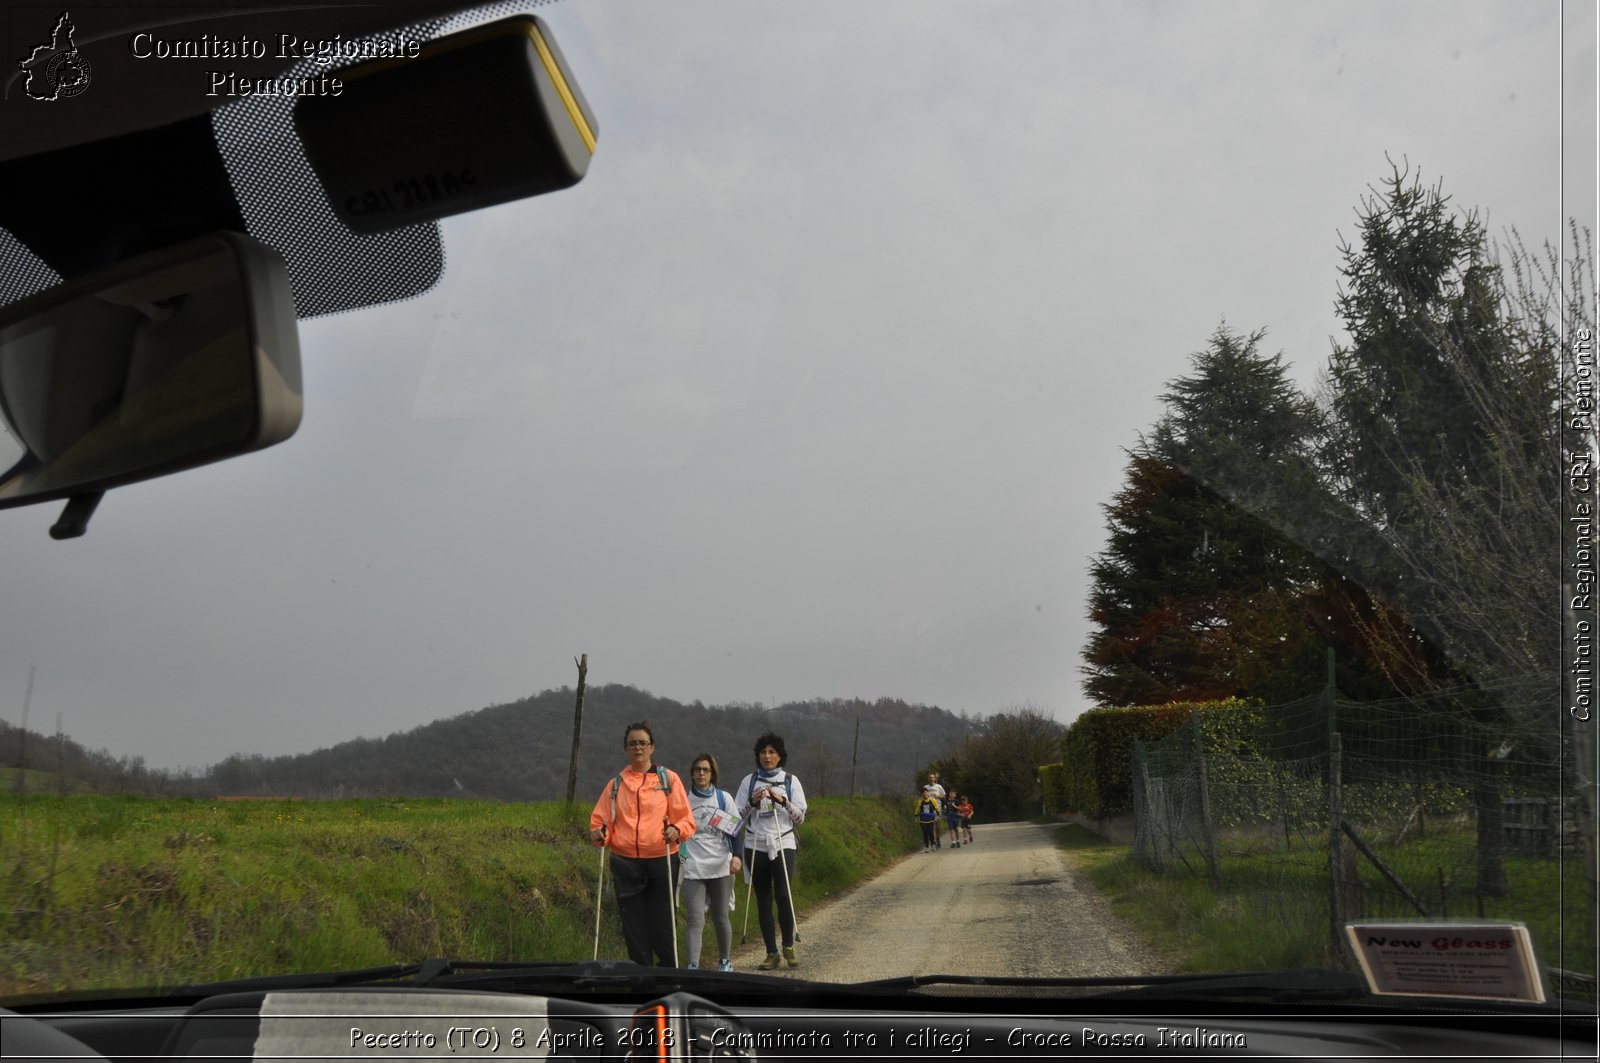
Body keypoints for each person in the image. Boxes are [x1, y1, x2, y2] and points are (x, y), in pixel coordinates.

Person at [588, 721, 695, 966]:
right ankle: (642, 977)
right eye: (632, 743)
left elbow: (686, 820)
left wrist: (675, 829)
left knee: (662, 922)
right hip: (625, 862)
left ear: (652, 747)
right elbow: (601, 822)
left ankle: (669, 975)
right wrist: (600, 834)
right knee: (633, 925)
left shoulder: (668, 780)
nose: (638, 747)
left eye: (643, 743)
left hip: (662, 859)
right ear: (626, 749)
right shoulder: (615, 785)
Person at [734, 731, 807, 970]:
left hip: (783, 841)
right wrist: (752, 803)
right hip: (756, 843)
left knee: (783, 895)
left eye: (772, 752)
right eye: (763, 752)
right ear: (758, 756)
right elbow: (736, 819)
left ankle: (788, 945)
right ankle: (771, 952)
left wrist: (782, 801)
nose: (767, 756)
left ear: (779, 756)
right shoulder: (749, 781)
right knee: (763, 899)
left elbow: (800, 817)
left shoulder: (790, 781)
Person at [681, 752, 743, 972]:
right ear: (692, 773)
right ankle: (693, 966)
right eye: (697, 769)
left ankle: (725, 961)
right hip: (692, 866)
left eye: (705, 770)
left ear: (712, 773)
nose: (701, 773)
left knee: (720, 916)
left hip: (721, 865)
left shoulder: (723, 799)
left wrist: (737, 857)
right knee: (696, 920)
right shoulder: (683, 799)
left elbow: (735, 832)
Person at [915, 786, 940, 852]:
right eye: (923, 793)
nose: (925, 794)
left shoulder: (933, 800)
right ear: (922, 794)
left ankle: (933, 844)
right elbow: (917, 809)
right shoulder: (920, 801)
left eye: (926, 792)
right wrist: (916, 817)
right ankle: (926, 847)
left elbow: (937, 808)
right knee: (925, 833)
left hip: (931, 819)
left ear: (928, 793)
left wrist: (937, 816)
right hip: (922, 819)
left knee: (931, 832)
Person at [925, 772, 946, 848]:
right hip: (928, 808)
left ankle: (937, 838)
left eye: (932, 777)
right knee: (931, 825)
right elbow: (922, 796)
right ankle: (933, 841)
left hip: (937, 806)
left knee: (937, 825)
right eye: (930, 777)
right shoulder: (925, 787)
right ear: (928, 779)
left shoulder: (938, 786)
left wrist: (939, 796)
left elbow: (943, 795)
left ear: (934, 779)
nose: (931, 779)